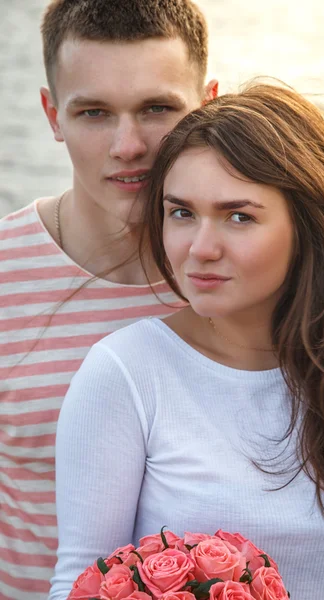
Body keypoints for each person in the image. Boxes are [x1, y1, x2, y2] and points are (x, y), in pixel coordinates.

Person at [50, 82, 324, 600]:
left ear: (310, 225)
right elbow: (78, 584)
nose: (201, 248)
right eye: (182, 213)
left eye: (239, 216)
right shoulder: (125, 374)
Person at [0, 0, 218, 597]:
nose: (129, 145)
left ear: (209, 105)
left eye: (157, 108)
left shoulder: (245, 280)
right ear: (52, 114)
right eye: (94, 112)